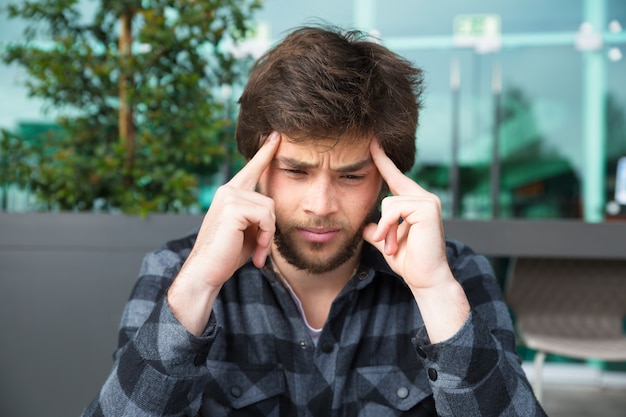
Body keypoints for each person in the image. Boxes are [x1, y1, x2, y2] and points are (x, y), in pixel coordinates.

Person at [82, 25, 546, 417]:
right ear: (256, 168)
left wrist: (437, 295)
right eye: (296, 171)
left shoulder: (457, 275)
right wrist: (199, 285)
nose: (320, 204)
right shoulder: (175, 271)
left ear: (388, 182)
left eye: (351, 175)